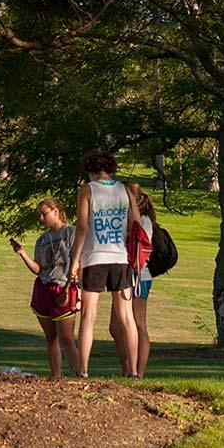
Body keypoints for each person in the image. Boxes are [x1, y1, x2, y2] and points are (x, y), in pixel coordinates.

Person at [68, 150, 142, 377]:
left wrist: (75, 260)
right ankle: (134, 371)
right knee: (127, 317)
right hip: (120, 258)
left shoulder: (88, 190)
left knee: (88, 316)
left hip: (94, 258)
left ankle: (83, 369)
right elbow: (136, 223)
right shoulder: (125, 190)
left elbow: (82, 227)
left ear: (90, 169)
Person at [12, 198, 81, 378]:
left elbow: (77, 261)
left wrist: (69, 287)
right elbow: (38, 269)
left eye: (45, 214)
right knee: (51, 338)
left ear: (56, 211)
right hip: (44, 288)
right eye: (40, 216)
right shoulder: (42, 240)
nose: (41, 219)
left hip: (63, 288)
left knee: (66, 338)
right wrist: (23, 254)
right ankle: (56, 376)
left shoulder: (71, 233)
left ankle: (80, 373)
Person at [126, 182, 158, 378]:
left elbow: (138, 237)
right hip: (129, 275)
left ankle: (139, 373)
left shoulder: (144, 219)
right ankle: (130, 369)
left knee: (139, 324)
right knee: (120, 326)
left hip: (140, 276)